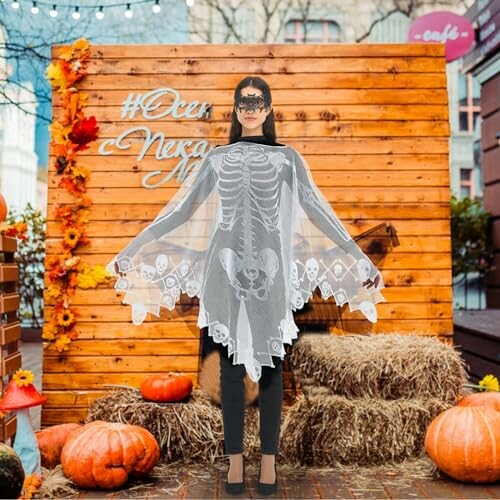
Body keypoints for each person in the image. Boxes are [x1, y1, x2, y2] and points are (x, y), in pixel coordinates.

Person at [107, 76, 385, 496]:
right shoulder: (217, 160)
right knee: (231, 371)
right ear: (236, 110)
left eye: (258, 101)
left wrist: (357, 255)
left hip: (271, 270)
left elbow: (317, 210)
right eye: (243, 102)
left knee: (273, 368)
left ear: (269, 108)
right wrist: (134, 246)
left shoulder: (289, 159)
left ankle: (269, 464)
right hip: (223, 266)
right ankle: (236, 462)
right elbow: (182, 211)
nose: (251, 108)